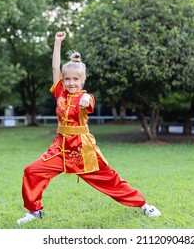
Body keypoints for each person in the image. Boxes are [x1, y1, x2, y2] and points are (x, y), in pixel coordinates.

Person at [17, 31, 161, 224]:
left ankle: (143, 205)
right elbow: (54, 68)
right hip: (60, 148)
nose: (70, 83)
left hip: (82, 151)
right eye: (67, 79)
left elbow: (89, 101)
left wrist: (85, 99)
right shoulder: (60, 92)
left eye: (75, 79)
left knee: (110, 180)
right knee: (32, 171)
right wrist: (57, 42)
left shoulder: (87, 97)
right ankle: (34, 211)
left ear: (82, 80)